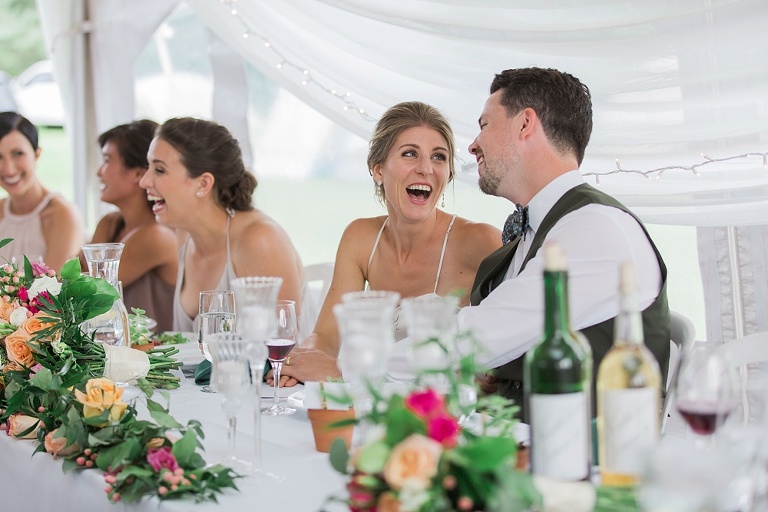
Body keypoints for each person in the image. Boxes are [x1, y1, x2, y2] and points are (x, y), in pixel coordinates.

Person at [282, 69, 671, 417]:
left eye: (485, 124)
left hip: (584, 466)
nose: (472, 145)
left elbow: (479, 337)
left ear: (525, 125)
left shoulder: (593, 228)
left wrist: (345, 370)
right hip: (510, 437)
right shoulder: (534, 230)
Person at [278, 101, 501, 384]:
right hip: (378, 408)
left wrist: (345, 373)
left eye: (439, 157)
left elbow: (501, 364)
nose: (425, 169)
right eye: (410, 154)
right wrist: (298, 365)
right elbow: (326, 336)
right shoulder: (360, 238)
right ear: (378, 169)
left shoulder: (480, 241)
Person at [139, 117, 312, 334]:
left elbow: (282, 350)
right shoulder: (184, 235)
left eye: (159, 170)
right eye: (148, 167)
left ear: (203, 184)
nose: (144, 181)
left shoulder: (259, 240)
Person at [81, 120, 178, 332]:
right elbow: (70, 277)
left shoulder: (157, 236)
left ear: (138, 174)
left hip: (157, 356)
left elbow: (84, 294)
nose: (99, 172)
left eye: (107, 160)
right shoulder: (110, 223)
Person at [0, 111, 83, 271]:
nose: (8, 169)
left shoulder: (62, 215)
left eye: (18, 154)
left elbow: (55, 292)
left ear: (37, 154)